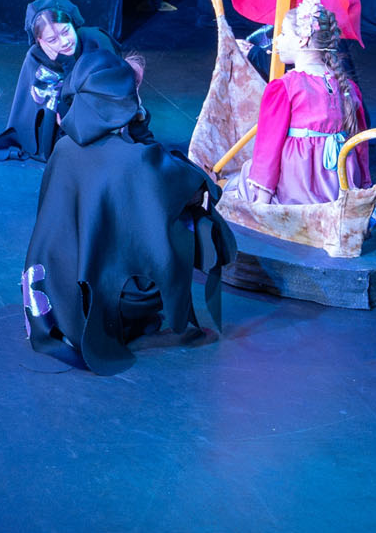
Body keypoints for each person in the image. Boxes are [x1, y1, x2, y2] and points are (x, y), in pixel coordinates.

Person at [21, 49, 237, 373]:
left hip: (61, 289)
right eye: (134, 93)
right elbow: (191, 186)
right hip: (105, 294)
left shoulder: (65, 148)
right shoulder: (135, 159)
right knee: (193, 222)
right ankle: (137, 314)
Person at [242, 0, 370, 205]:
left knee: (242, 179)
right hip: (341, 183)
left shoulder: (284, 87)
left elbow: (268, 145)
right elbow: (360, 143)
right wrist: (363, 185)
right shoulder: (347, 86)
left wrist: (262, 200)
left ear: (302, 39)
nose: (277, 40)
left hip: (301, 183)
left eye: (284, 34)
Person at [0, 0, 134, 162]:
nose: (64, 42)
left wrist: (69, 65)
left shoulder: (96, 42)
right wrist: (64, 65)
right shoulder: (36, 57)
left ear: (72, 24)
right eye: (52, 40)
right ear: (40, 41)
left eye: (66, 32)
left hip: (100, 117)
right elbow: (45, 105)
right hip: (62, 125)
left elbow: (111, 92)